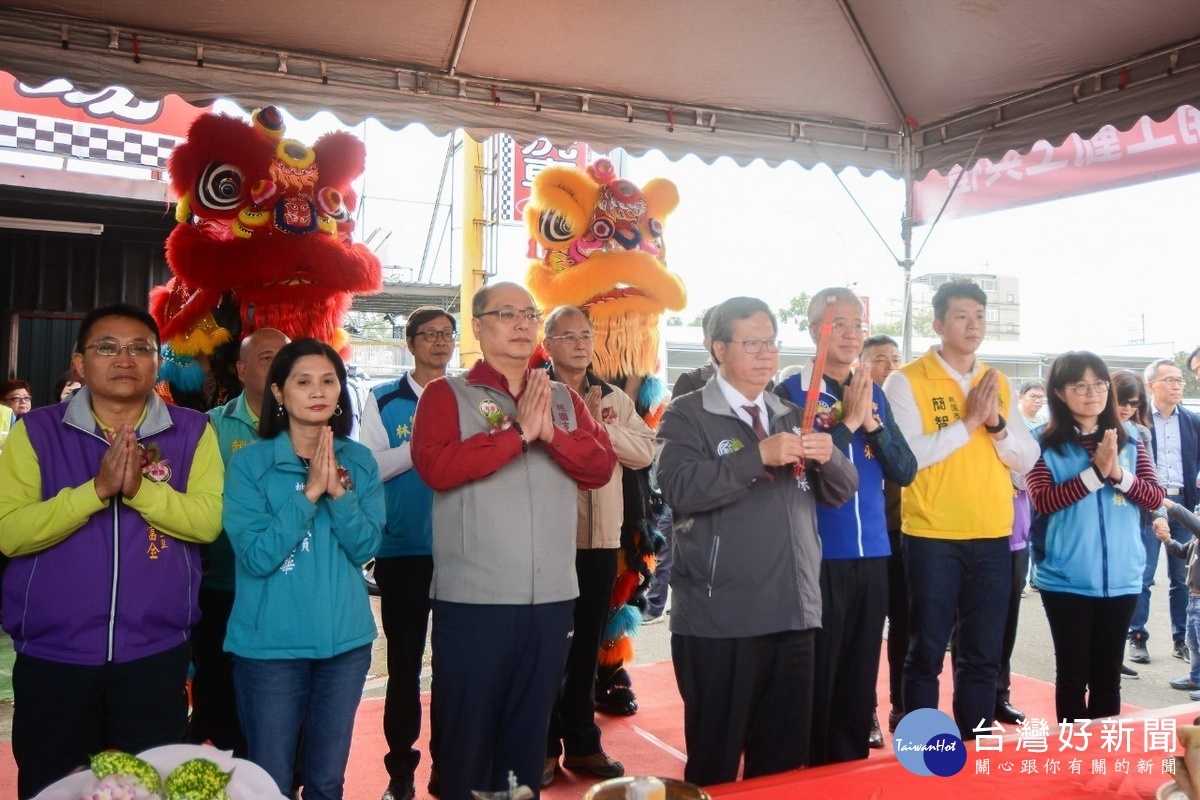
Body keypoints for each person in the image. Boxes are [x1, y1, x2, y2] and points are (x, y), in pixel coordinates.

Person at [0, 303, 224, 799]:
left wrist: (139, 491)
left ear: (157, 361)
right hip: (55, 656)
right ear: (80, 363)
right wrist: (96, 491)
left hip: (155, 655)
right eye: (107, 347)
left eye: (140, 348)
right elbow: (10, 532)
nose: (125, 359)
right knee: (53, 787)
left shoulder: (192, 431)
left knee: (145, 789)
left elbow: (206, 523)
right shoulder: (36, 431)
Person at [411, 282, 616, 800]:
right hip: (475, 600)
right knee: (467, 733)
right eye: (507, 313)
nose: (523, 323)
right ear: (478, 327)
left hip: (552, 596)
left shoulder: (563, 399)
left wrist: (550, 434)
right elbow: (436, 467)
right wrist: (518, 434)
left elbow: (600, 466)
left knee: (528, 735)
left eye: (530, 314)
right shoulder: (447, 394)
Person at [657, 296, 858, 786]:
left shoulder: (791, 413)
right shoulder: (687, 414)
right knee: (716, 763)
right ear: (717, 347)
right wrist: (756, 457)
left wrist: (829, 455)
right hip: (720, 619)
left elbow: (840, 491)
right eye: (752, 343)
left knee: (782, 765)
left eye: (771, 342)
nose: (766, 354)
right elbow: (678, 488)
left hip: (792, 612)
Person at [223, 338, 385, 800]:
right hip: (270, 650)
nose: (318, 391)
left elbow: (365, 547)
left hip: (346, 647)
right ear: (279, 393)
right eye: (303, 381)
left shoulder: (359, 461)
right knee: (269, 778)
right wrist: (309, 494)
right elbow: (256, 557)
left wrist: (339, 494)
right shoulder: (250, 463)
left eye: (329, 380)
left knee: (327, 780)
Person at [882, 279, 1039, 740]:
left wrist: (994, 425)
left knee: (982, 652)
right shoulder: (906, 379)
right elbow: (907, 457)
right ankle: (922, 748)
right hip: (932, 534)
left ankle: (974, 741)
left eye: (980, 316)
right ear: (938, 323)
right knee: (926, 649)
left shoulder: (998, 382)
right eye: (961, 316)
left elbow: (1026, 459)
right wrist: (968, 421)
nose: (973, 326)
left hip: (993, 533)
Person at [775, 288, 916, 765]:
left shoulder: (873, 389)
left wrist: (872, 423)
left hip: (873, 551)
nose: (852, 333)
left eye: (859, 324)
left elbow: (906, 469)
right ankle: (809, 766)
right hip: (820, 551)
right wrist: (851, 423)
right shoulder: (791, 389)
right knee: (818, 668)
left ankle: (849, 766)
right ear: (817, 329)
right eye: (841, 324)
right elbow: (799, 463)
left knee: (860, 669)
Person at [539, 305, 654, 786]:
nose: (581, 343)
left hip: (602, 541)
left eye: (586, 335)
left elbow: (645, 449)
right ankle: (542, 746)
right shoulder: (533, 392)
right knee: (547, 649)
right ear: (547, 344)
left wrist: (593, 429)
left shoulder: (611, 398)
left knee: (587, 646)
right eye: (569, 336)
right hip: (547, 539)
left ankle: (583, 743)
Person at [1027, 351, 1163, 723]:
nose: (1092, 393)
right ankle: (1073, 762)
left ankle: (1103, 760)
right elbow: (1043, 500)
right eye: (1079, 385)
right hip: (1066, 577)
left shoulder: (1131, 437)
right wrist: (1094, 475)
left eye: (1099, 384)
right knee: (1073, 675)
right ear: (1059, 392)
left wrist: (1117, 472)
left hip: (1123, 576)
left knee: (1108, 677)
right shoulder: (1039, 441)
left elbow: (1153, 496)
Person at [358, 306, 456, 800]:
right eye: (430, 335)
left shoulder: (472, 399)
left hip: (462, 553)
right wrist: (426, 446)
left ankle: (448, 763)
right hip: (402, 552)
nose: (441, 342)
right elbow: (368, 468)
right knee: (403, 668)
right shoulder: (383, 399)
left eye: (448, 334)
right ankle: (401, 770)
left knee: (457, 668)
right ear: (411, 341)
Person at [191, 327, 290, 756]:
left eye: (287, 358)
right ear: (241, 368)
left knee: (282, 689)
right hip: (223, 580)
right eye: (268, 357)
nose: (279, 367)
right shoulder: (210, 425)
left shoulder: (311, 422)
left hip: (287, 583)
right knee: (218, 685)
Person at [1127, 358, 1200, 664]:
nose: (1176, 385)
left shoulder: (1192, 421)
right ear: (1151, 385)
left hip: (1182, 504)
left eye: (1180, 380)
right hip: (1146, 504)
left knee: (1184, 576)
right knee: (1143, 574)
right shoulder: (1139, 422)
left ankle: (1183, 639)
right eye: (1169, 380)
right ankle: (1138, 635)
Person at [861, 334, 909, 734]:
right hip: (866, 535)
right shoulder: (849, 408)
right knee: (868, 627)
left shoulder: (902, 411)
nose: (891, 365)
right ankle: (865, 709)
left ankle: (902, 706)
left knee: (906, 623)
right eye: (880, 359)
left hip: (907, 531)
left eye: (896, 358)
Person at [1112, 369, 1154, 677]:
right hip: (1091, 538)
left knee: (1133, 585)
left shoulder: (1138, 435)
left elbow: (1153, 490)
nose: (1126, 408)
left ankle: (1116, 652)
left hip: (1131, 523)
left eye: (1133, 403)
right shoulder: (1080, 433)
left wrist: (1120, 477)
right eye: (1121, 401)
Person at [1162, 499, 1200, 693]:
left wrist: (1168, 504)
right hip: (1193, 600)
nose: (1196, 517)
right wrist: (1167, 540)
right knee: (1192, 642)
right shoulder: (1195, 540)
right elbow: (1181, 550)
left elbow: (1190, 522)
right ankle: (1195, 677)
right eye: (1196, 512)